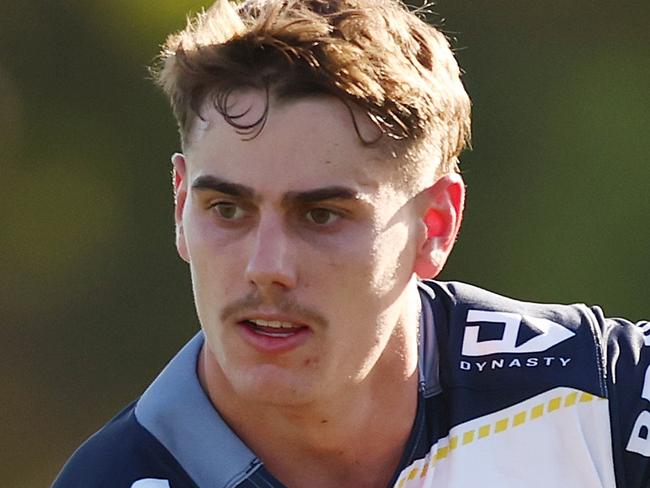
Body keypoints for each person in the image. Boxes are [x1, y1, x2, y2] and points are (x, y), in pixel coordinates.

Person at [53, 0, 649, 486]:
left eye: (320, 215)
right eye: (228, 209)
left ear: (434, 225)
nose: (267, 268)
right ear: (182, 206)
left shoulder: (603, 396)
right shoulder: (114, 478)